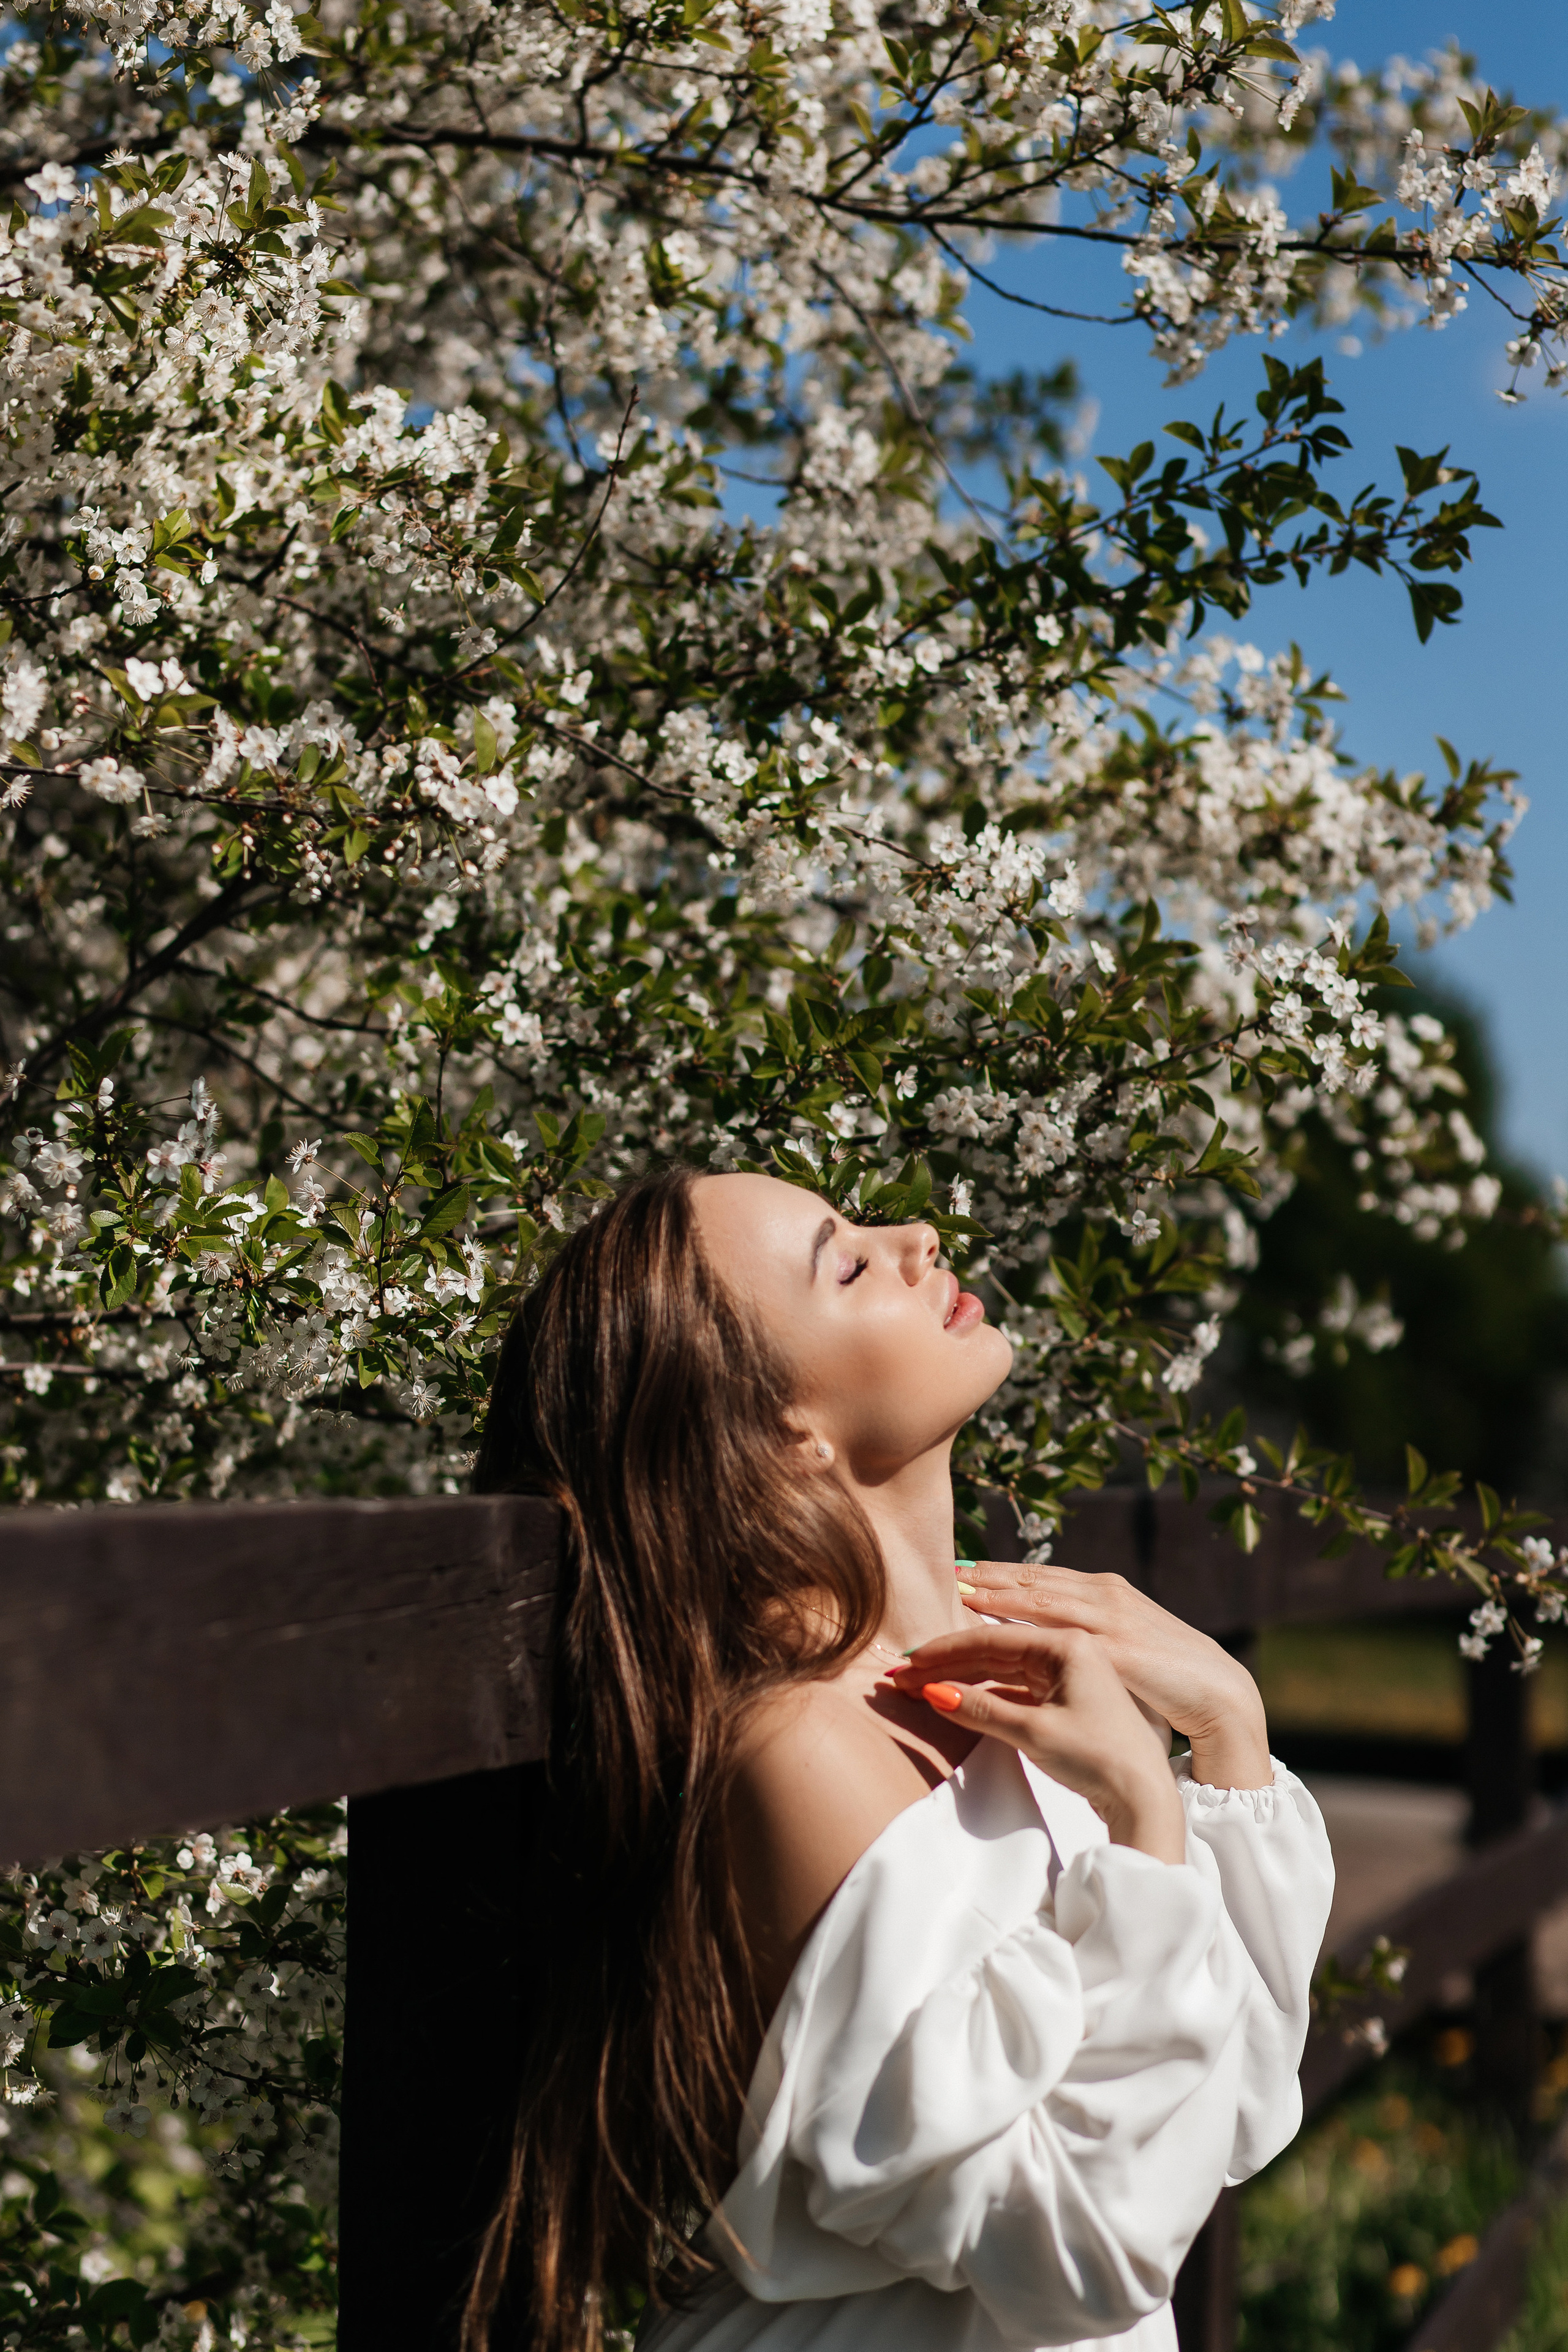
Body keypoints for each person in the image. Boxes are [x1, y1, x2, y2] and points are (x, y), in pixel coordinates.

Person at [467, 1164, 1335, 2352]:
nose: (919, 1234)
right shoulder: (806, 1749)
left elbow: (1219, 2118)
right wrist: (1141, 1811)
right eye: (848, 1260)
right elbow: (1079, 2251)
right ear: (787, 1438)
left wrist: (1229, 1732)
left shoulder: (1002, 1677)